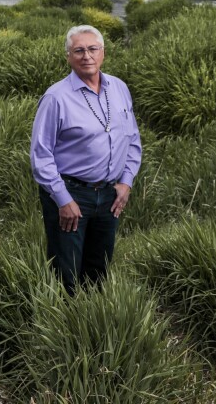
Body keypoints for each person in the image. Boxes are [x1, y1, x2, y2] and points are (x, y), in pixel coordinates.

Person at [30, 25, 141, 294]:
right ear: (68, 57)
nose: (86, 56)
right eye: (78, 50)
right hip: (70, 194)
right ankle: (62, 326)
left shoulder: (119, 88)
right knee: (65, 272)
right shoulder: (56, 97)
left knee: (98, 268)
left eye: (93, 49)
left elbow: (133, 141)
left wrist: (126, 183)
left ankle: (90, 324)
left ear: (103, 53)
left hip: (109, 194)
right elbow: (40, 155)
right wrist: (62, 199)